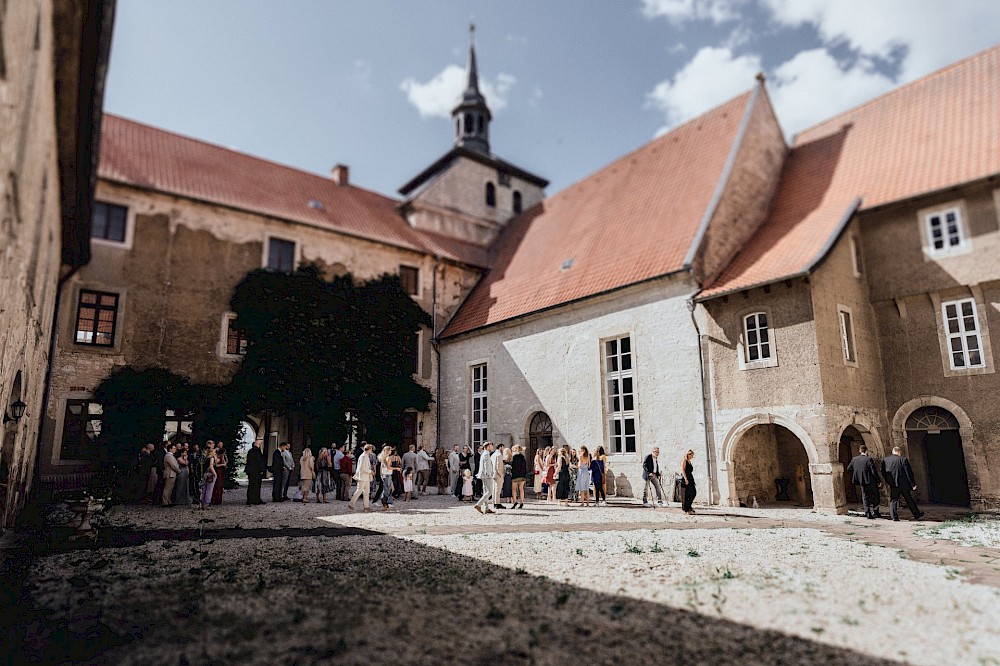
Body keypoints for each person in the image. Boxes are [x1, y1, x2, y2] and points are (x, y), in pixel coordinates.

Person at [882, 446, 924, 521]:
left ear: (893, 451)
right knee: (909, 499)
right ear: (899, 452)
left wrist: (888, 481)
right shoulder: (903, 459)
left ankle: (894, 516)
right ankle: (916, 514)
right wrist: (912, 484)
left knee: (893, 500)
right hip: (903, 484)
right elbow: (908, 473)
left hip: (893, 484)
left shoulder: (886, 460)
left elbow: (884, 472)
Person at [847, 444, 882, 519]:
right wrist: (879, 481)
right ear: (866, 451)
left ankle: (867, 512)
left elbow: (849, 468)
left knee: (865, 496)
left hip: (861, 481)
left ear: (860, 451)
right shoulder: (868, 459)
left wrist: (857, 472)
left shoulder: (854, 459)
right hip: (870, 481)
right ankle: (875, 511)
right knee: (875, 495)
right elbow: (873, 471)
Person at [349, 444, 375, 511]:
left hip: (365, 477)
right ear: (369, 449)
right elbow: (362, 468)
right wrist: (370, 471)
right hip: (363, 476)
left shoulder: (365, 456)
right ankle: (351, 504)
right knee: (359, 490)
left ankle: (366, 507)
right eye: (371, 449)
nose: (372, 450)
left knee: (366, 492)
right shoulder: (363, 456)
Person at [474, 441, 497, 514]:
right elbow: (486, 466)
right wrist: (489, 475)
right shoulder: (486, 454)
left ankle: (486, 508)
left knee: (485, 491)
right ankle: (478, 504)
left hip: (483, 475)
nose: (492, 447)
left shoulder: (484, 453)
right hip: (486, 476)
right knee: (490, 491)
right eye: (491, 446)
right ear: (488, 446)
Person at [245, 438, 265, 505]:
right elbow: (258, 462)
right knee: (254, 485)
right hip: (255, 471)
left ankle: (254, 499)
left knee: (254, 485)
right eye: (259, 444)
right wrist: (261, 469)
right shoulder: (255, 451)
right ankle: (253, 499)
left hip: (253, 471)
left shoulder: (252, 451)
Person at [379, 446, 396, 511]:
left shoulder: (383, 457)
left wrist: (381, 474)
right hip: (387, 474)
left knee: (389, 488)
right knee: (388, 489)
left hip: (384, 474)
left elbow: (381, 467)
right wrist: (396, 468)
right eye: (390, 450)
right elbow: (389, 467)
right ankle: (386, 502)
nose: (391, 451)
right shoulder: (388, 458)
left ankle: (387, 502)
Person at [680, 449, 697, 515]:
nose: (692, 457)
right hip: (685, 478)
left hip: (690, 478)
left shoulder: (689, 461)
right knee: (686, 494)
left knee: (693, 493)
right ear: (688, 454)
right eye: (692, 455)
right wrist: (686, 479)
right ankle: (686, 509)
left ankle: (689, 506)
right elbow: (682, 470)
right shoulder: (684, 460)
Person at [510, 445, 527, 509]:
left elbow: (512, 466)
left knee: (514, 489)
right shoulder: (522, 457)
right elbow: (524, 467)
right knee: (521, 489)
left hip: (515, 475)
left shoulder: (513, 457)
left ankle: (515, 502)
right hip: (522, 475)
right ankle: (521, 502)